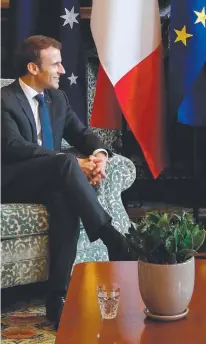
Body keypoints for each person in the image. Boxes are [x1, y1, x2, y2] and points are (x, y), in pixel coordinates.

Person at [1, 35, 133, 328]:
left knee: (66, 200)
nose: (62, 70)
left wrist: (98, 156)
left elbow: (81, 133)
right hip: (10, 179)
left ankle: (56, 300)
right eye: (56, 64)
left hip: (47, 178)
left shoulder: (57, 98)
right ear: (33, 68)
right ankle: (112, 237)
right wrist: (73, 163)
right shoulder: (5, 99)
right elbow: (12, 145)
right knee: (64, 162)